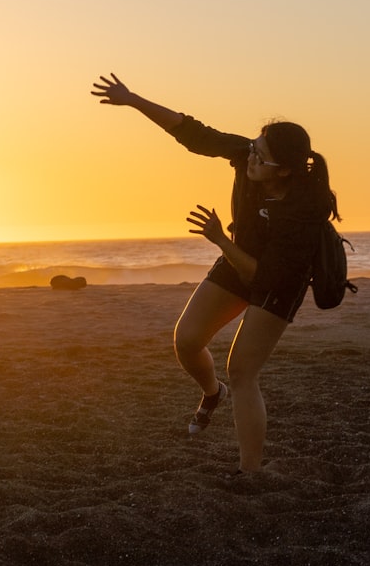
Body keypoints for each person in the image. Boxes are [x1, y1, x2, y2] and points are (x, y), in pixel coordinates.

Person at [90, 73, 340, 473]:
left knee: (242, 371)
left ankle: (250, 473)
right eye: (253, 149)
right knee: (187, 341)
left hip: (277, 283)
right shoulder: (246, 155)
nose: (251, 158)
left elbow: (264, 277)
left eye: (261, 157)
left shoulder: (303, 212)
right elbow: (194, 133)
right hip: (237, 260)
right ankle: (211, 393)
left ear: (285, 171)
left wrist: (220, 240)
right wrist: (133, 99)